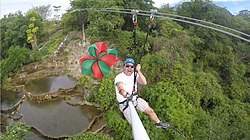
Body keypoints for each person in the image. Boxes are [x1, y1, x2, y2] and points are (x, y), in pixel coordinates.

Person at [114, 58, 170, 128]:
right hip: (125, 103)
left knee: (150, 111)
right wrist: (125, 94)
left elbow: (144, 82)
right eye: (127, 66)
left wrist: (139, 71)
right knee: (135, 124)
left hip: (135, 98)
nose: (129, 68)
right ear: (124, 66)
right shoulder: (119, 77)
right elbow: (120, 88)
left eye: (131, 66)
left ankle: (158, 123)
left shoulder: (134, 74)